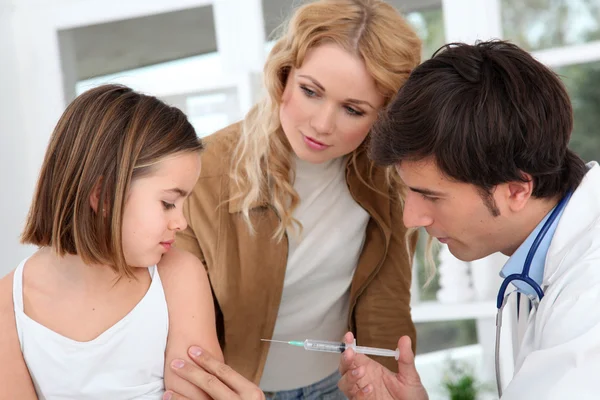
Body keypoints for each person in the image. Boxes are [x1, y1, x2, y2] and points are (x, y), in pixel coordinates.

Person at [172, 0, 422, 398]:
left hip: (340, 386)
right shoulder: (204, 171)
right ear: (284, 75)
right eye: (310, 91)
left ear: (384, 116)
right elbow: (184, 331)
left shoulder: (387, 178)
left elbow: (387, 305)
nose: (322, 125)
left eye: (353, 110)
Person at [337, 39, 600, 399]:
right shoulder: (543, 261)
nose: (410, 217)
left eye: (430, 195)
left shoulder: (590, 297)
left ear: (517, 190)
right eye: (410, 191)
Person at [0, 84, 223, 399]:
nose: (181, 222)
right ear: (103, 196)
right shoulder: (7, 308)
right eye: (168, 203)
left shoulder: (178, 277)